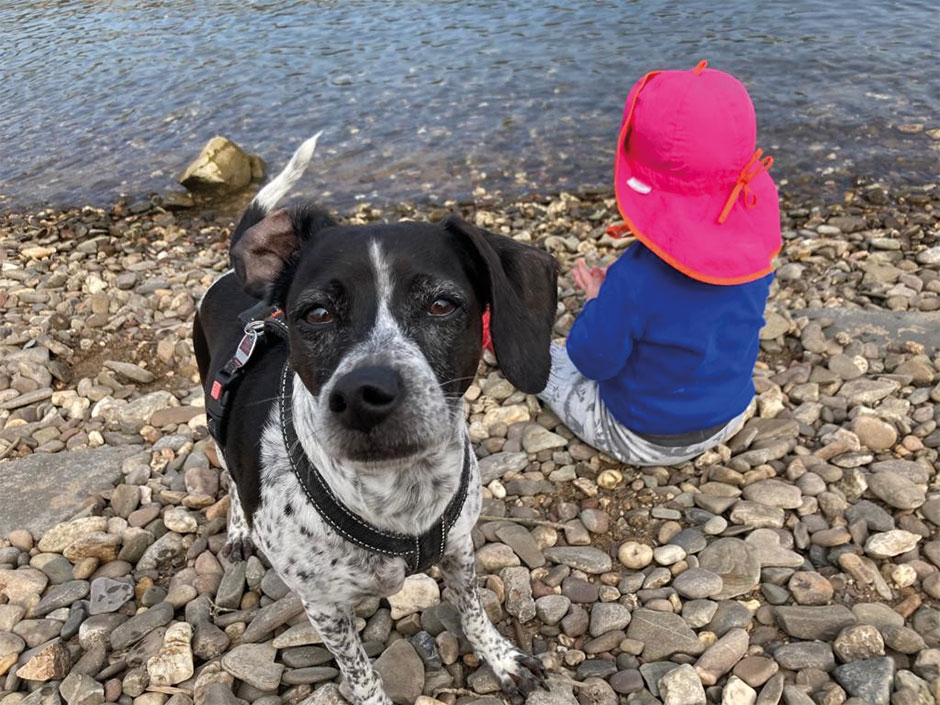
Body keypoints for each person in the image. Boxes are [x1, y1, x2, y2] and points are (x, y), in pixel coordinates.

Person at [537, 60, 781, 466]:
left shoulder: (634, 278)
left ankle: (498, 338)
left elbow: (593, 361)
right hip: (730, 415)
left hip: (643, 437)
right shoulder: (756, 247)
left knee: (549, 363)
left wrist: (599, 302)